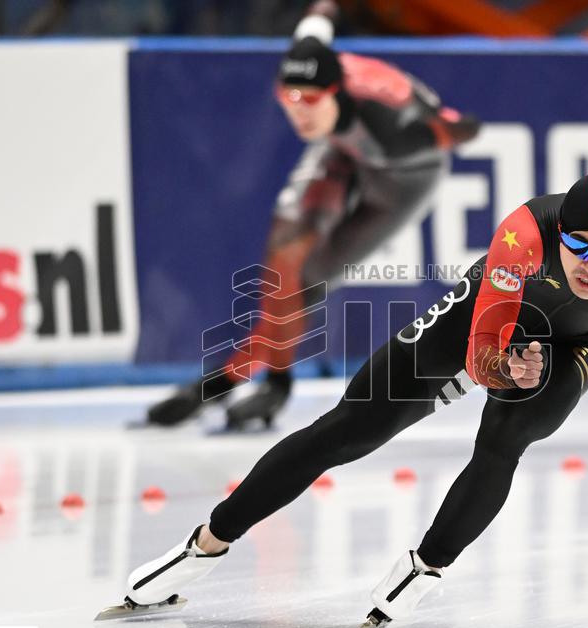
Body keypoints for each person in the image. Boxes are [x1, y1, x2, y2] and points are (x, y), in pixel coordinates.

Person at [100, 172, 588, 628]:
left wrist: (539, 370)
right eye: (579, 246)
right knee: (348, 429)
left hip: (575, 340)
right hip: (485, 317)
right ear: (558, 235)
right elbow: (480, 359)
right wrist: (507, 366)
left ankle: (425, 568)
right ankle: (202, 547)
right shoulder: (523, 237)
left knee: (506, 440)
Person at [145, 1, 480, 430]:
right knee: (285, 254)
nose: (297, 111)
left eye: (309, 100)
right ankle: (267, 382)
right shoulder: (309, 55)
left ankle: (229, 386)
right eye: (288, 97)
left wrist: (453, 126)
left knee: (309, 282)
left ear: (336, 92)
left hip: (404, 180)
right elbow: (320, 18)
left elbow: (459, 129)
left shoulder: (395, 126)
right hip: (343, 149)